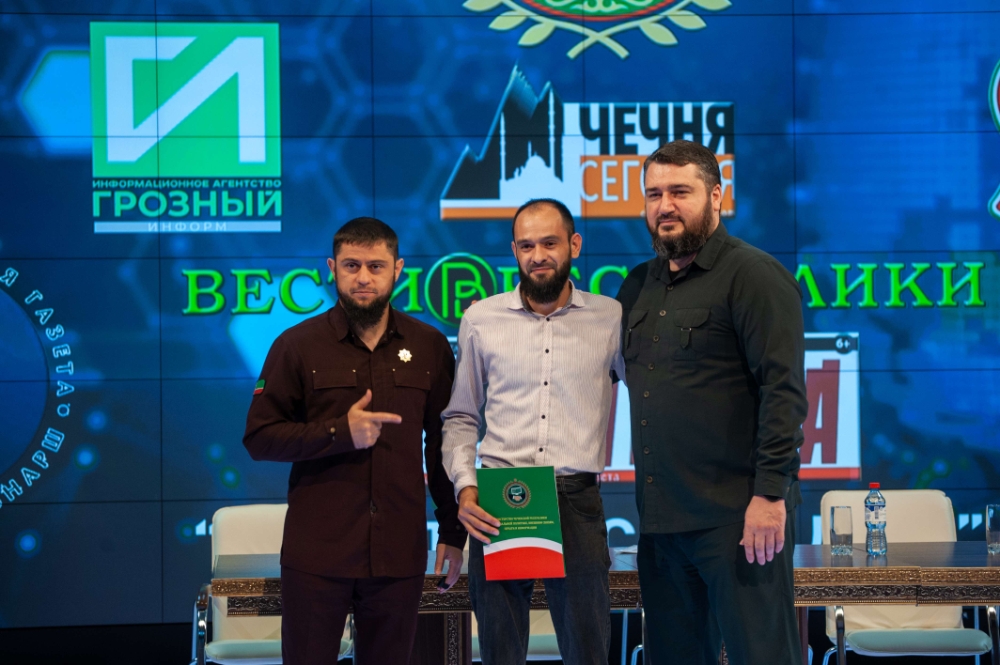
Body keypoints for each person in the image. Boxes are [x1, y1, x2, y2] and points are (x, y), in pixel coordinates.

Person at [615, 140, 808, 665]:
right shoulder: (637, 285)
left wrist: (769, 496)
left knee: (762, 657)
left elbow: (784, 392)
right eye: (654, 194)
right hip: (661, 526)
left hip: (739, 521)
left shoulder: (755, 275)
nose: (665, 206)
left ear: (717, 196)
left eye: (680, 191)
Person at [243, 217, 466, 665]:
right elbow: (260, 438)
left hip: (398, 555)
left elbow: (444, 443)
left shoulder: (429, 346)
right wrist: (337, 433)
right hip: (317, 555)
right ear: (332, 269)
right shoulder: (297, 345)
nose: (363, 277)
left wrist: (452, 531)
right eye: (351, 266)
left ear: (398, 269)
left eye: (376, 266)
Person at [442, 198, 625, 665]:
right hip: (499, 498)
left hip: (576, 497)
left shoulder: (610, 318)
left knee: (588, 652)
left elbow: (650, 398)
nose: (538, 256)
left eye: (549, 243)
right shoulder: (481, 320)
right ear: (514, 251)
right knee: (500, 653)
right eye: (526, 246)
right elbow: (461, 416)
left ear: (574, 245)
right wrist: (465, 487)